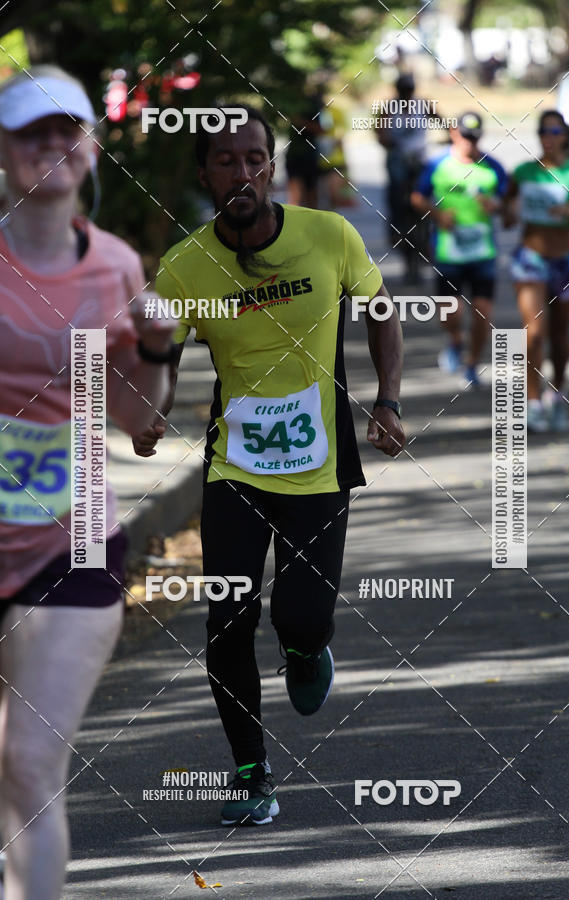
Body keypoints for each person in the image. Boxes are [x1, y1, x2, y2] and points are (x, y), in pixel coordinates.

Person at [132, 105, 405, 827]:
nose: (243, 172)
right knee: (227, 619)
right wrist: (149, 409)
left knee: (301, 615)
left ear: (271, 166)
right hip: (234, 468)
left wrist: (389, 400)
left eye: (255, 158)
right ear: (204, 174)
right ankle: (251, 774)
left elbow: (380, 309)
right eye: (226, 161)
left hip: (318, 464)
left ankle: (307, 646)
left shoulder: (328, 236)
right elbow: (158, 349)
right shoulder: (188, 264)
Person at [0, 66, 175, 900]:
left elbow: (142, 417)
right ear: (2, 150)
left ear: (91, 147)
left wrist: (160, 349)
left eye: (67, 129)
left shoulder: (115, 266)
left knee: (30, 766)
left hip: (71, 540)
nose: (52, 145)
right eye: (32, 130)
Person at [503, 110, 569, 431]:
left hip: (565, 262)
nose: (548, 136)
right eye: (544, 130)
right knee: (534, 333)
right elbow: (507, 214)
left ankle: (556, 396)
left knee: (559, 336)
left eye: (555, 131)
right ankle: (532, 403)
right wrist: (506, 212)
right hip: (530, 258)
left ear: (565, 135)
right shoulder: (524, 172)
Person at [411, 112, 507, 388]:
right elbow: (417, 196)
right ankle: (454, 340)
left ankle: (472, 362)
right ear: (454, 133)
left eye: (474, 138)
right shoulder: (437, 164)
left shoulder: (493, 167)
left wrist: (496, 206)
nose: (469, 142)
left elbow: (506, 202)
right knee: (450, 312)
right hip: (448, 251)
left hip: (483, 253)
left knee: (483, 313)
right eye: (465, 136)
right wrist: (437, 215)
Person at [376, 73, 429, 281]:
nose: (407, 95)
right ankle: (396, 229)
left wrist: (450, 137)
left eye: (409, 91)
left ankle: (427, 237)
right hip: (398, 158)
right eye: (404, 91)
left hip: (419, 159)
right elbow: (380, 132)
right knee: (397, 197)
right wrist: (388, 142)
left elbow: (442, 121)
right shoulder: (389, 108)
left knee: (428, 192)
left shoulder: (423, 105)